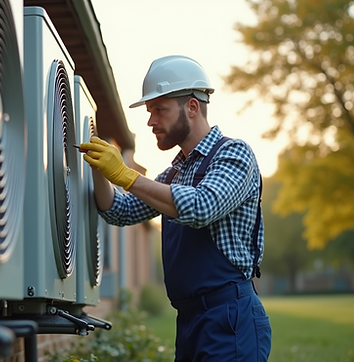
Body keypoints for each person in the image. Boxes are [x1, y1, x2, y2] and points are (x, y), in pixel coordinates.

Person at [79, 55, 272, 361]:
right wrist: (97, 167)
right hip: (190, 321)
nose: (151, 121)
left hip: (230, 318)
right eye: (150, 111)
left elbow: (202, 206)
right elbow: (121, 210)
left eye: (160, 110)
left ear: (192, 107)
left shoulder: (234, 155)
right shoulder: (174, 174)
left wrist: (126, 175)